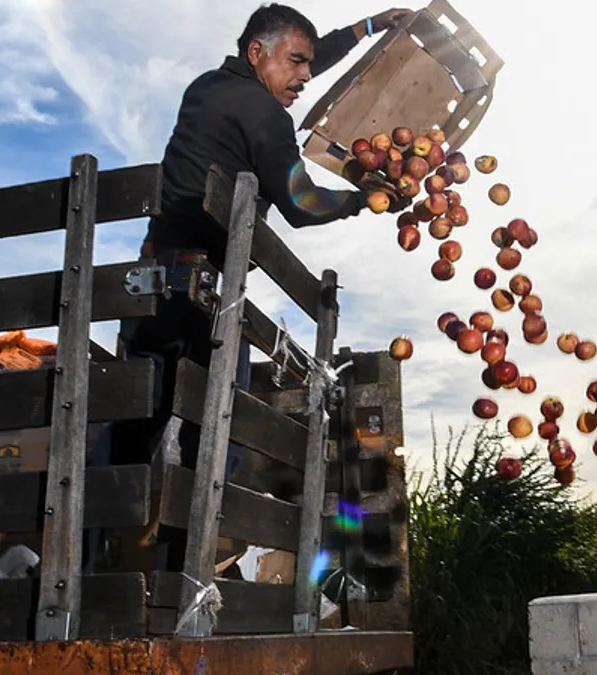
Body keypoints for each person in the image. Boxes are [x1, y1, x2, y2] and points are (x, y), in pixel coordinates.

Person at [86, 3, 413, 574]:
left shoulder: (211, 88)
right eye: (297, 64)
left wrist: (365, 29)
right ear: (257, 53)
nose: (306, 78)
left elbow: (296, 59)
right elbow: (301, 203)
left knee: (132, 430)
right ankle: (175, 579)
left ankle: (82, 567)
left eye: (309, 64)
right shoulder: (264, 113)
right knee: (216, 437)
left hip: (152, 284)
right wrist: (367, 199)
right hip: (205, 295)